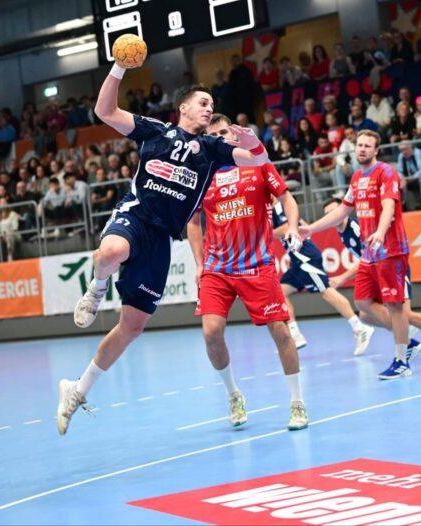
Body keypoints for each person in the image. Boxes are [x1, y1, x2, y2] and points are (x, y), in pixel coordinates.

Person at [56, 56, 270, 435]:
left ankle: (77, 389)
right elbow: (104, 111)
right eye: (202, 103)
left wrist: (251, 140)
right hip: (136, 216)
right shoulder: (156, 131)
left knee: (132, 327)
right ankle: (98, 288)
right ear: (183, 107)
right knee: (110, 252)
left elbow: (259, 161)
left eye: (212, 105)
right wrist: (119, 68)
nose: (209, 109)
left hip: (161, 240)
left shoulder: (212, 150)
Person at [187, 114, 308, 431]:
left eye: (224, 132)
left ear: (235, 134)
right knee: (211, 332)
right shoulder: (203, 173)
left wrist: (293, 226)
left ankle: (297, 403)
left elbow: (287, 198)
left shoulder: (257, 163)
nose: (220, 138)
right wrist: (199, 263)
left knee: (281, 331)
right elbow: (192, 223)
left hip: (257, 265)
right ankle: (233, 395)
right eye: (213, 135)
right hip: (217, 269)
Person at [299, 130, 413, 380]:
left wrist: (381, 231)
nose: (362, 149)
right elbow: (342, 211)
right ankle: (406, 339)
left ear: (376, 150)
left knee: (395, 305)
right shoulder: (356, 177)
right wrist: (311, 229)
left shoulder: (386, 172)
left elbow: (389, 206)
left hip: (390, 249)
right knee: (362, 302)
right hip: (369, 254)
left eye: (367, 146)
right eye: (359, 145)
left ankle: (402, 360)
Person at [323, 197, 421, 358]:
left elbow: (367, 257)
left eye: (334, 211)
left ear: (344, 211)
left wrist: (342, 277)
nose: (332, 215)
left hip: (393, 267)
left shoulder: (355, 228)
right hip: (378, 271)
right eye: (328, 214)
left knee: (404, 314)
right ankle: (407, 340)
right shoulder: (342, 231)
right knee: (366, 315)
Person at [272, 202, 374, 355]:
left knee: (326, 291)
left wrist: (266, 234)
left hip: (305, 256)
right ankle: (295, 334)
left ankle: (360, 328)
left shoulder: (280, 206)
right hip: (296, 259)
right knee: (278, 293)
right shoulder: (277, 209)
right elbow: (299, 223)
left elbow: (286, 228)